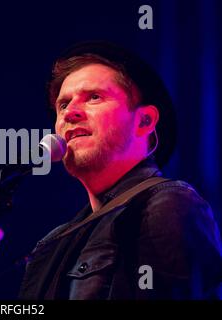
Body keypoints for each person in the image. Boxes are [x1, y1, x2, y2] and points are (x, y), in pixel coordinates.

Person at [18, 41, 222, 300]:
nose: (70, 113)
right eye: (63, 104)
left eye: (94, 97)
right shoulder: (53, 243)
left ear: (144, 121)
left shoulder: (165, 205)